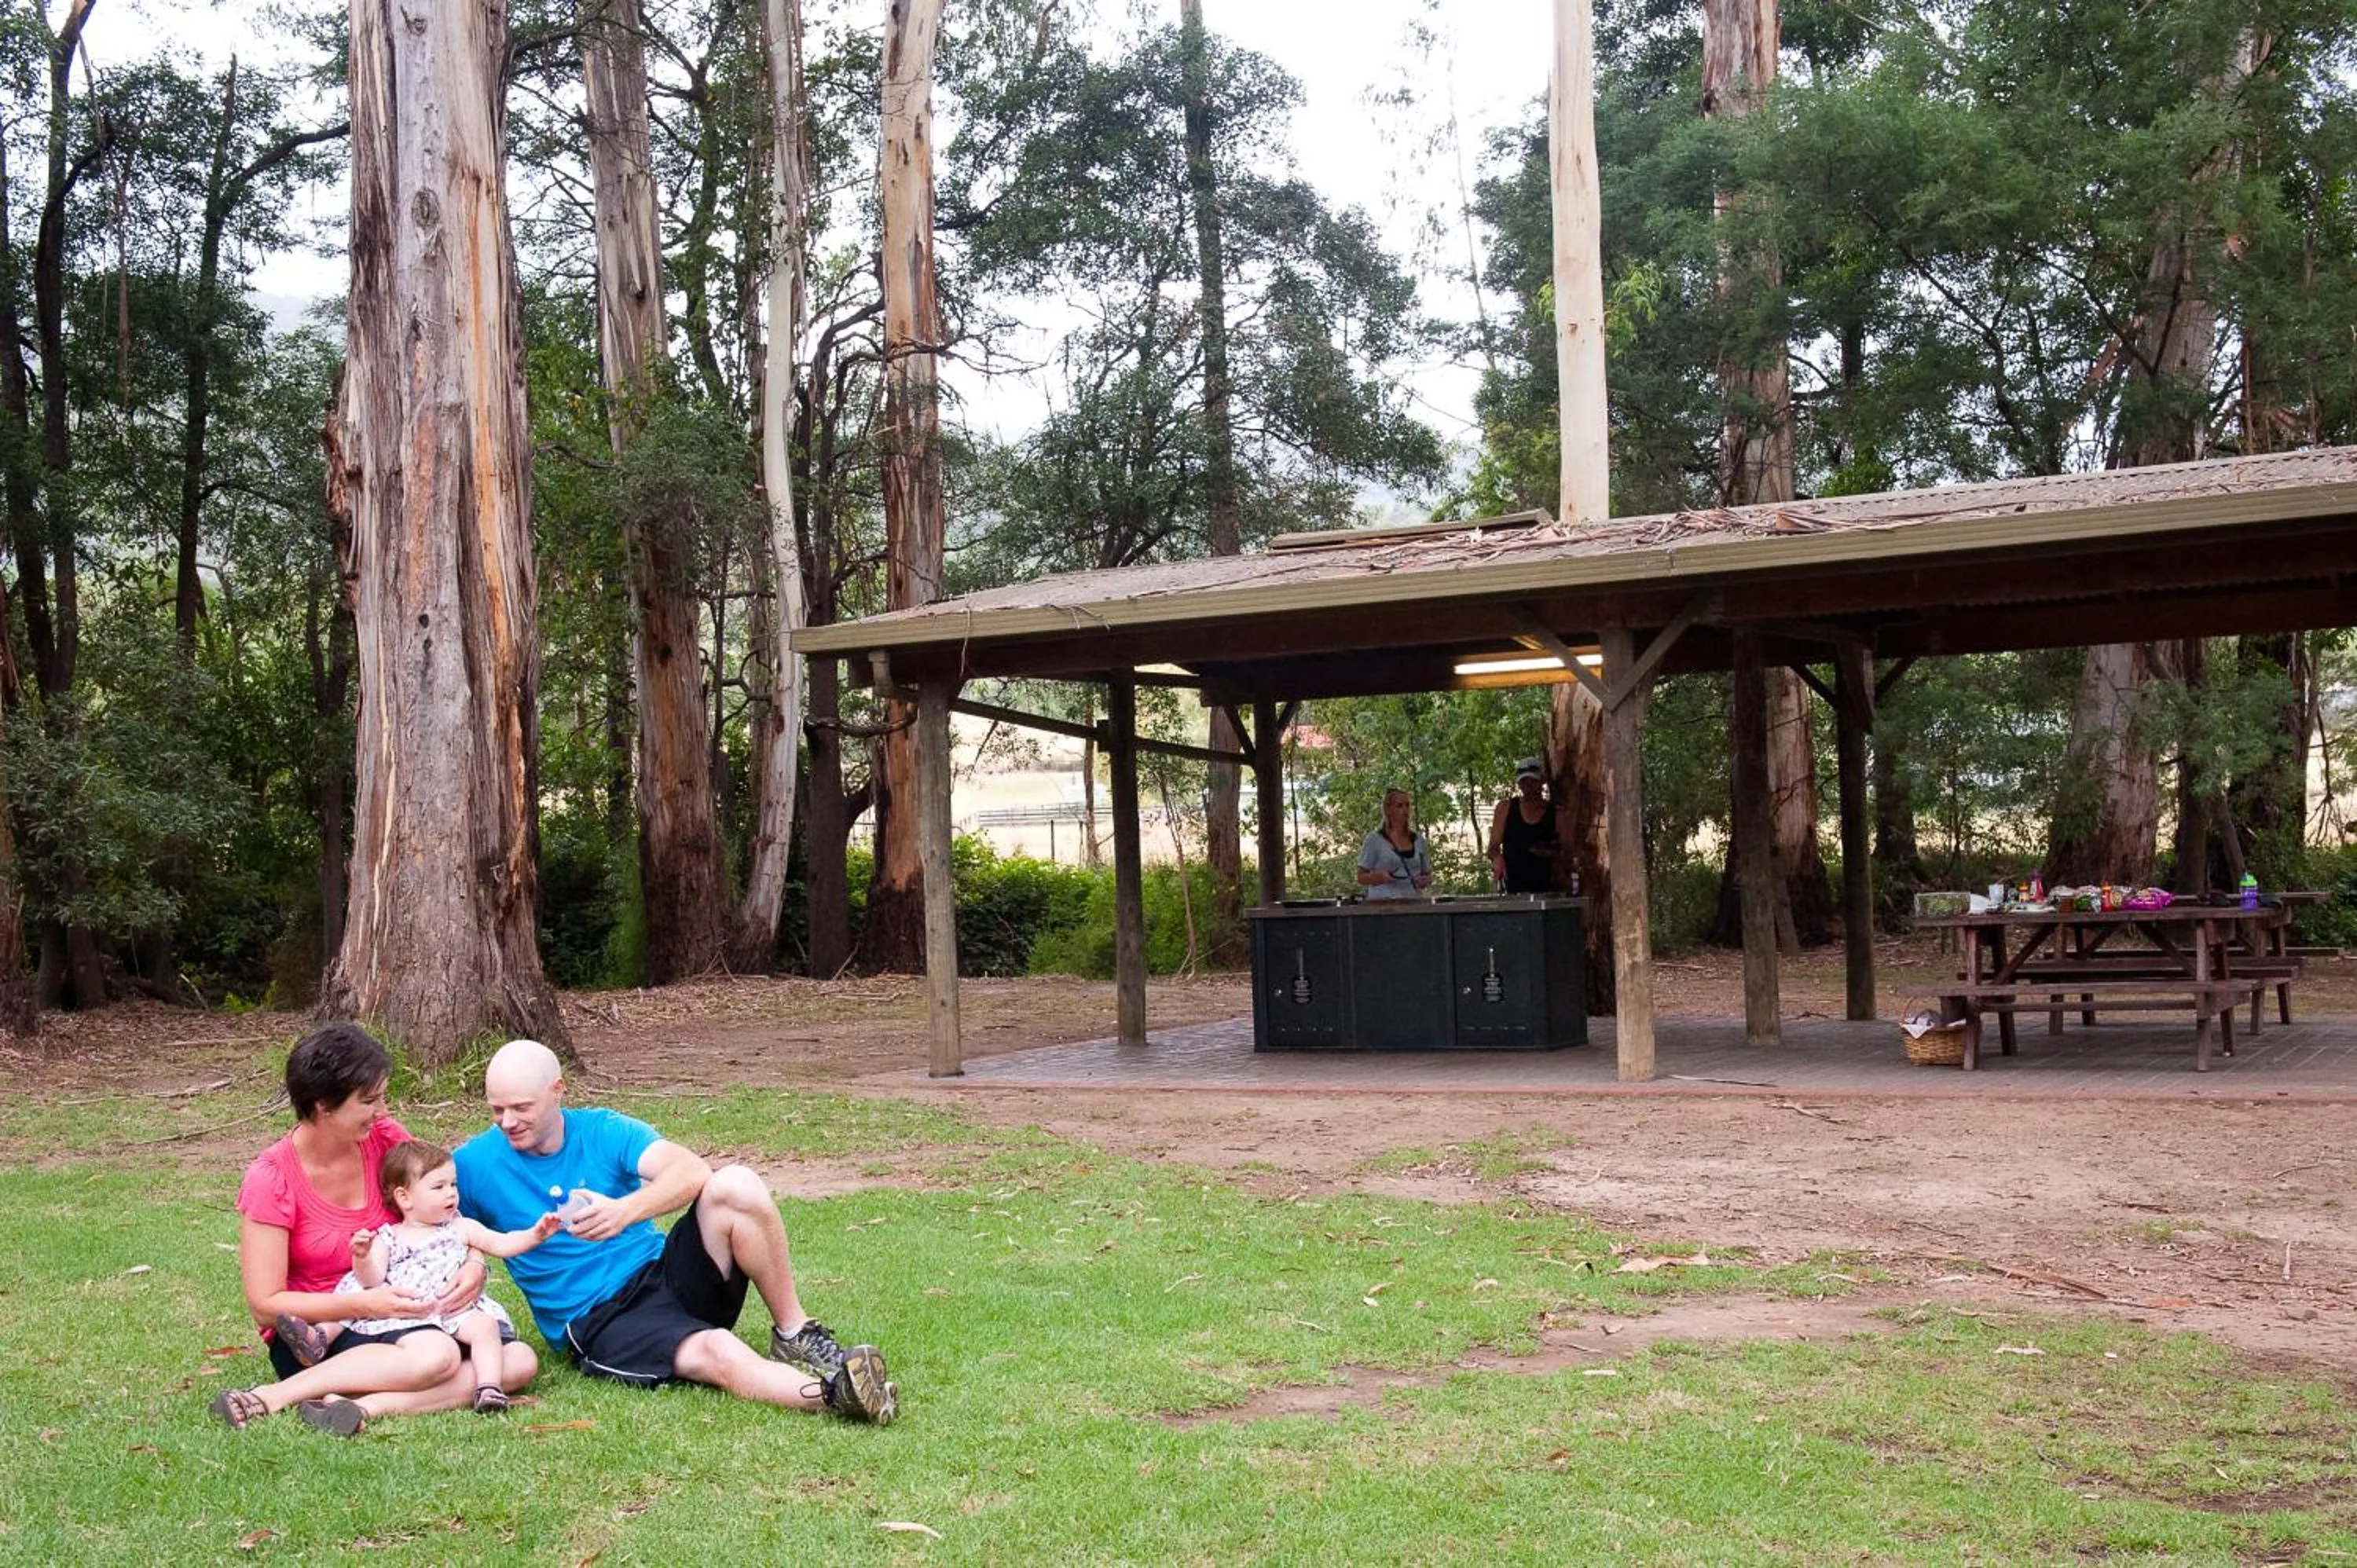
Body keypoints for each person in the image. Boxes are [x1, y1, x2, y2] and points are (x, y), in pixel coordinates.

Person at [453, 1039, 896, 1423]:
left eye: (520, 1108)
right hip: (599, 1318)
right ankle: (836, 1396)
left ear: (557, 1091)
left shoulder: (603, 1129)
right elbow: (444, 1221)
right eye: (497, 1109)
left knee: (734, 1184)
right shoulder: (475, 1164)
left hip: (661, 1273)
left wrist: (625, 1211)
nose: (507, 1121)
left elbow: (688, 1170)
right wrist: (475, 1260)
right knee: (718, 1350)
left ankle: (794, 1333)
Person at [216, 1023, 539, 1436]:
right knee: (438, 1357)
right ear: (322, 1106)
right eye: (368, 1101)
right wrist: (367, 1304)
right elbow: (266, 1304)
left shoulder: (386, 1141)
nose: (382, 1111)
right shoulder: (272, 1178)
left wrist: (475, 1264)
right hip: (323, 1334)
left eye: (382, 1097)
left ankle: (361, 1407)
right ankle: (271, 1396)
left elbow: (442, 1207)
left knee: (520, 1360)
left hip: (412, 1314)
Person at [276, 1139, 562, 1414]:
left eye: (453, 1184)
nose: (451, 1193)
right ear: (405, 1197)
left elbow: (502, 1243)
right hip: (407, 1315)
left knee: (485, 1326)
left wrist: (535, 1235)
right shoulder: (389, 1236)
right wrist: (362, 1256)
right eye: (438, 1187)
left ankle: (488, 1387)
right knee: (351, 1298)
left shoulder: (461, 1228)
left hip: (451, 1309)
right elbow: (371, 1279)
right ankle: (319, 1338)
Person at [1487, 757, 1570, 895]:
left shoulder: (1557, 814)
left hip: (1547, 890)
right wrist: (1497, 858)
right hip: (1512, 889)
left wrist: (1549, 852)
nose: (1529, 786)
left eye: (1533, 781)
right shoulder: (1505, 809)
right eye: (1524, 782)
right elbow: (1493, 847)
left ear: (1542, 781)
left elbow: (1568, 852)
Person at [1355, 786, 1433, 900]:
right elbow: (1361, 877)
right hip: (1383, 905)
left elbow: (1427, 873)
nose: (1405, 810)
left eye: (1407, 805)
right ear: (1388, 810)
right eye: (1400, 806)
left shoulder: (1418, 840)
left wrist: (1425, 880)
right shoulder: (1374, 840)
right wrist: (1378, 877)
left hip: (1413, 903)